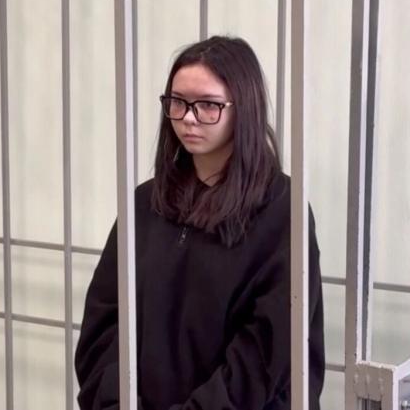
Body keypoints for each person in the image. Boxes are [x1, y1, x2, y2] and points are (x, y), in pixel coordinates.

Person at [74, 35, 325, 410]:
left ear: (244, 108)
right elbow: (104, 322)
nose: (188, 118)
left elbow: (266, 352)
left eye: (208, 105)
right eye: (177, 102)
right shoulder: (145, 203)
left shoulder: (280, 210)